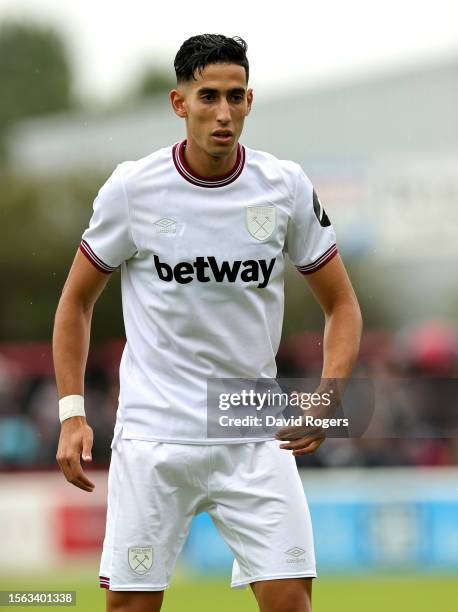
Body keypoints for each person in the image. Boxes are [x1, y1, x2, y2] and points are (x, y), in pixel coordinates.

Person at [53, 34, 362, 612]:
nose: (223, 112)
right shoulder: (132, 188)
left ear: (250, 101)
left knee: (291, 601)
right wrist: (72, 413)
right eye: (208, 96)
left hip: (253, 432)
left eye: (236, 97)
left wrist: (329, 391)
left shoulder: (286, 186)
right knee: (131, 607)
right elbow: (74, 303)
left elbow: (342, 304)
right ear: (179, 103)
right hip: (155, 435)